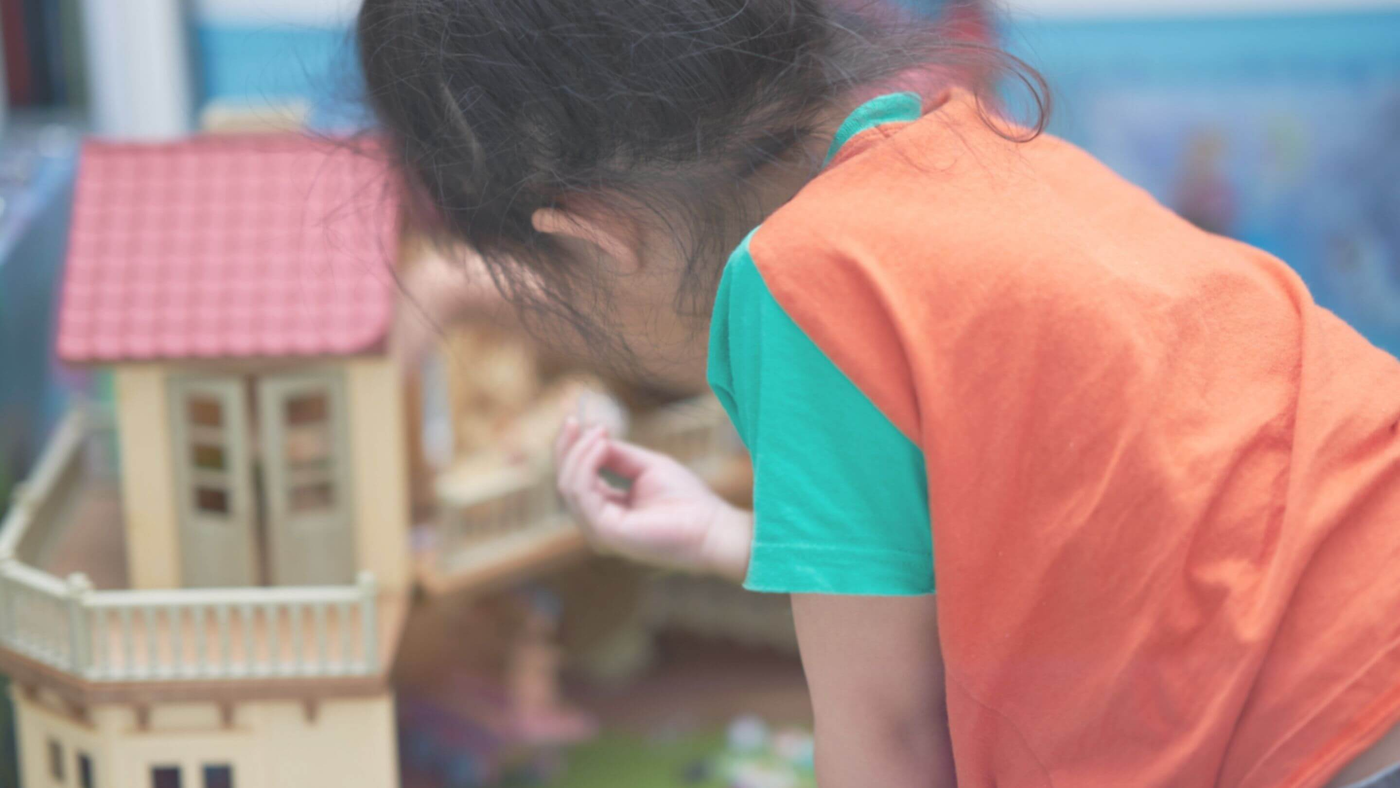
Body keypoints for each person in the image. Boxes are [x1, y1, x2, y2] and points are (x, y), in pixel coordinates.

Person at [357, 1, 1400, 786]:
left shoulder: (794, 285)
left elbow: (889, 745)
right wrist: (736, 535)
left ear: (592, 236)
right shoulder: (964, 142)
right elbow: (1021, 537)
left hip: (1342, 714)